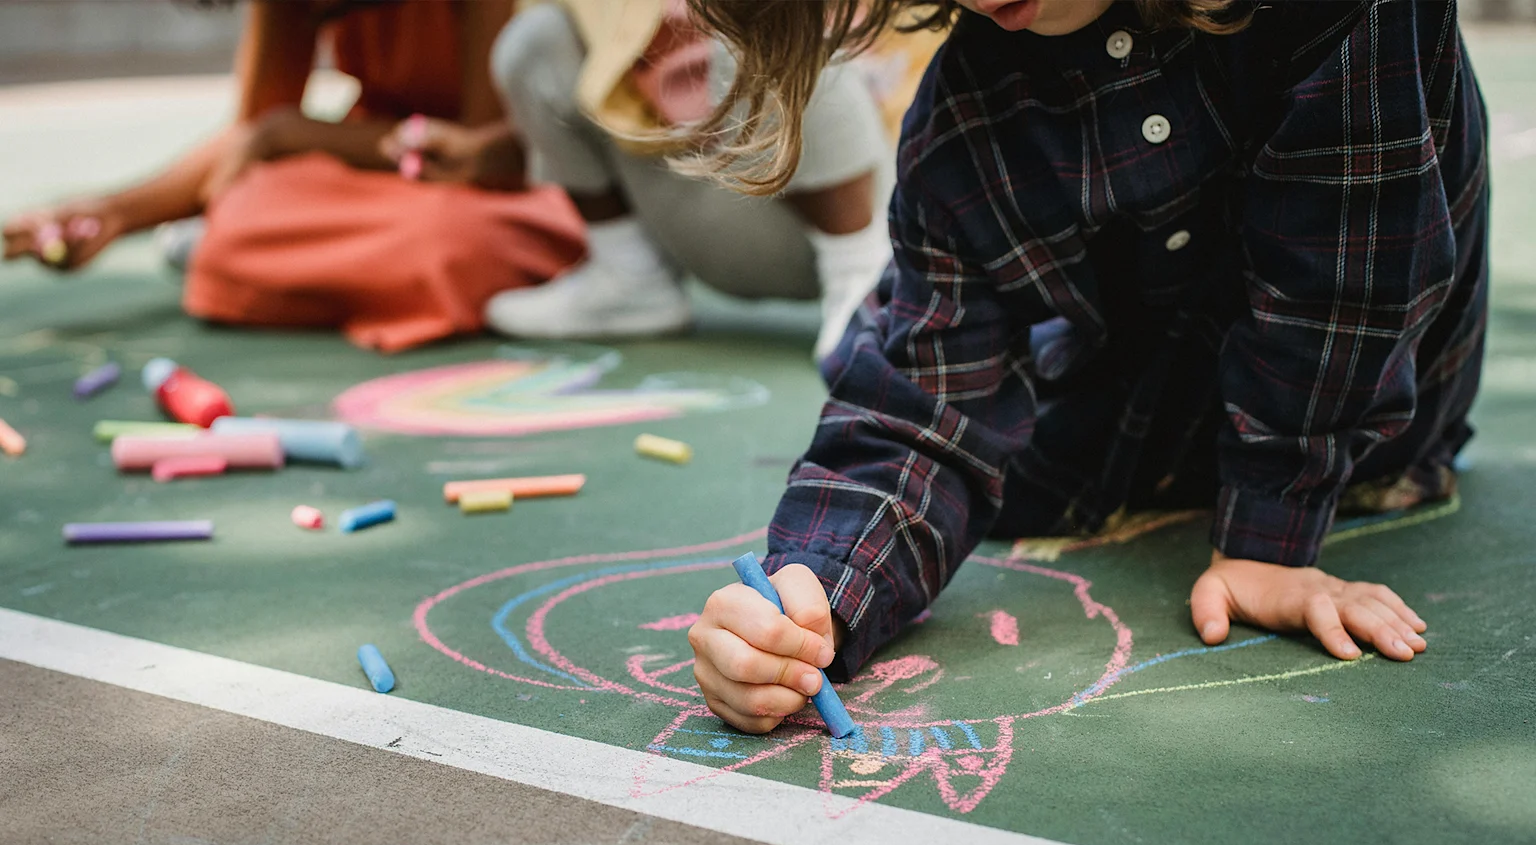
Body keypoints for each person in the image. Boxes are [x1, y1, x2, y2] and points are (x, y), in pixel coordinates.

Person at [681, 0, 1487, 733]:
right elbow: (925, 411)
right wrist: (812, 599)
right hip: (1127, 431)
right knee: (905, 353)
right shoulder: (970, 112)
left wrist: (1269, 536)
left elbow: (1349, 278)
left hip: (1363, 436)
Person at [1, 0, 584, 354]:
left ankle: (317, 276)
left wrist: (298, 134)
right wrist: (112, 213)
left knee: (447, 242)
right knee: (246, 210)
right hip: (387, 177)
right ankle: (349, 277)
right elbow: (249, 142)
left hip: (506, 183)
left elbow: (485, 152)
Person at [487, 0, 944, 358]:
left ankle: (865, 285)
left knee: (760, 21)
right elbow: (581, 82)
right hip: (700, 191)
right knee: (536, 39)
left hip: (864, 204)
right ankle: (629, 277)